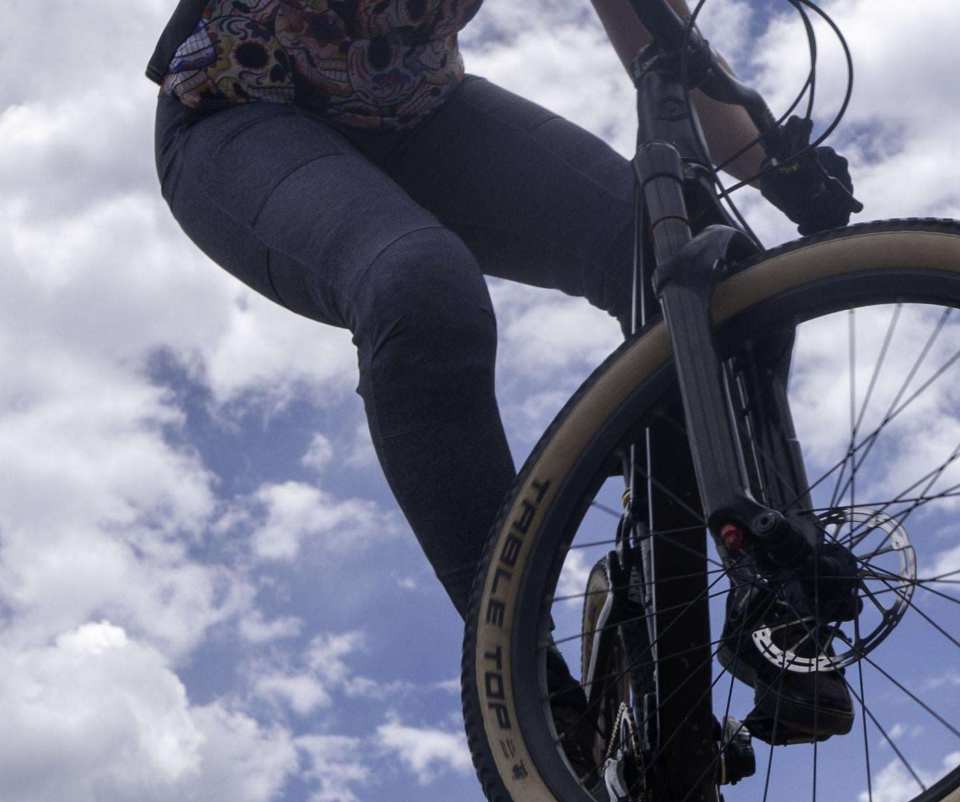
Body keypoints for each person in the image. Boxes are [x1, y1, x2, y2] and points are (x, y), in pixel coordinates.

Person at [146, 0, 857, 742]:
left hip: (421, 113)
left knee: (708, 255)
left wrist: (776, 165)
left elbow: (663, 33)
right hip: (235, 108)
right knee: (420, 288)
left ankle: (777, 611)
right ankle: (529, 689)